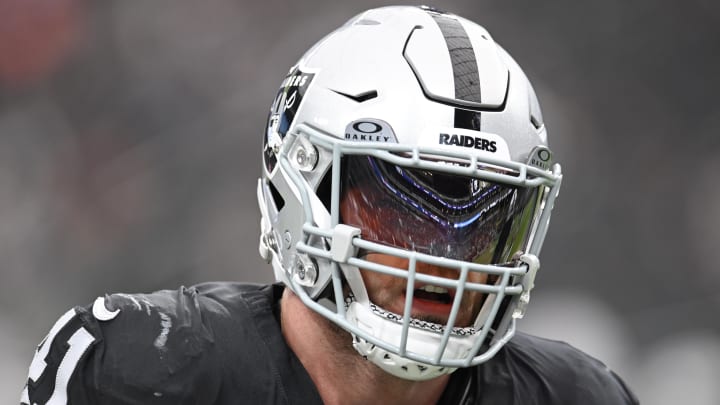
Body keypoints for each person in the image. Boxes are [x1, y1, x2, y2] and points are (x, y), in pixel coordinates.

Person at [21, 5, 639, 405]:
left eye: (484, 218)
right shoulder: (146, 369)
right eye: (402, 206)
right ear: (302, 187)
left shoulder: (576, 396)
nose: (447, 254)